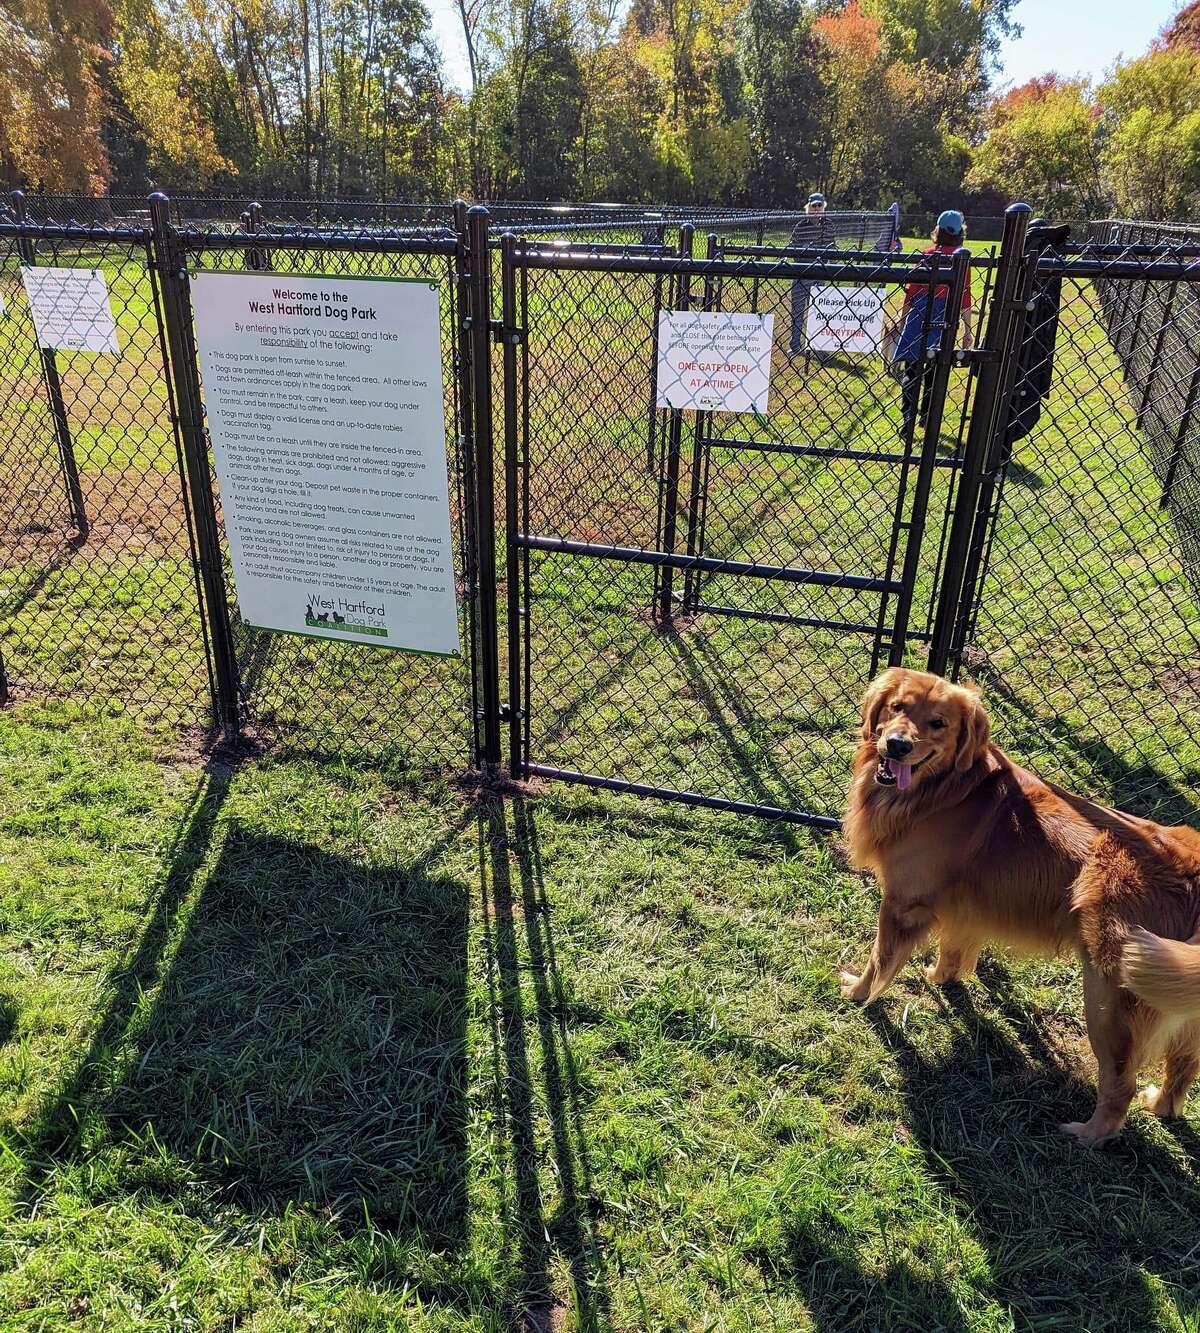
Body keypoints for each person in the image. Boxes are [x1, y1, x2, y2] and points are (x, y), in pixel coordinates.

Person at [887, 209, 973, 434]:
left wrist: (901, 317)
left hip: (919, 316)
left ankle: (908, 416)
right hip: (945, 318)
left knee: (912, 370)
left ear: (938, 230)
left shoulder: (926, 254)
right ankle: (927, 416)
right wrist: (967, 330)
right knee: (935, 372)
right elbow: (964, 296)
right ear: (959, 232)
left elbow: (912, 292)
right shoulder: (961, 257)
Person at [789, 192, 829, 356]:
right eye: (814, 206)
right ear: (808, 207)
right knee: (797, 312)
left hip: (819, 276)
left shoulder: (828, 226)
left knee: (817, 314)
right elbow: (792, 247)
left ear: (823, 207)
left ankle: (816, 346)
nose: (817, 209)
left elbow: (832, 248)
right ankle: (795, 346)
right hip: (800, 275)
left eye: (820, 206)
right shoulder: (800, 226)